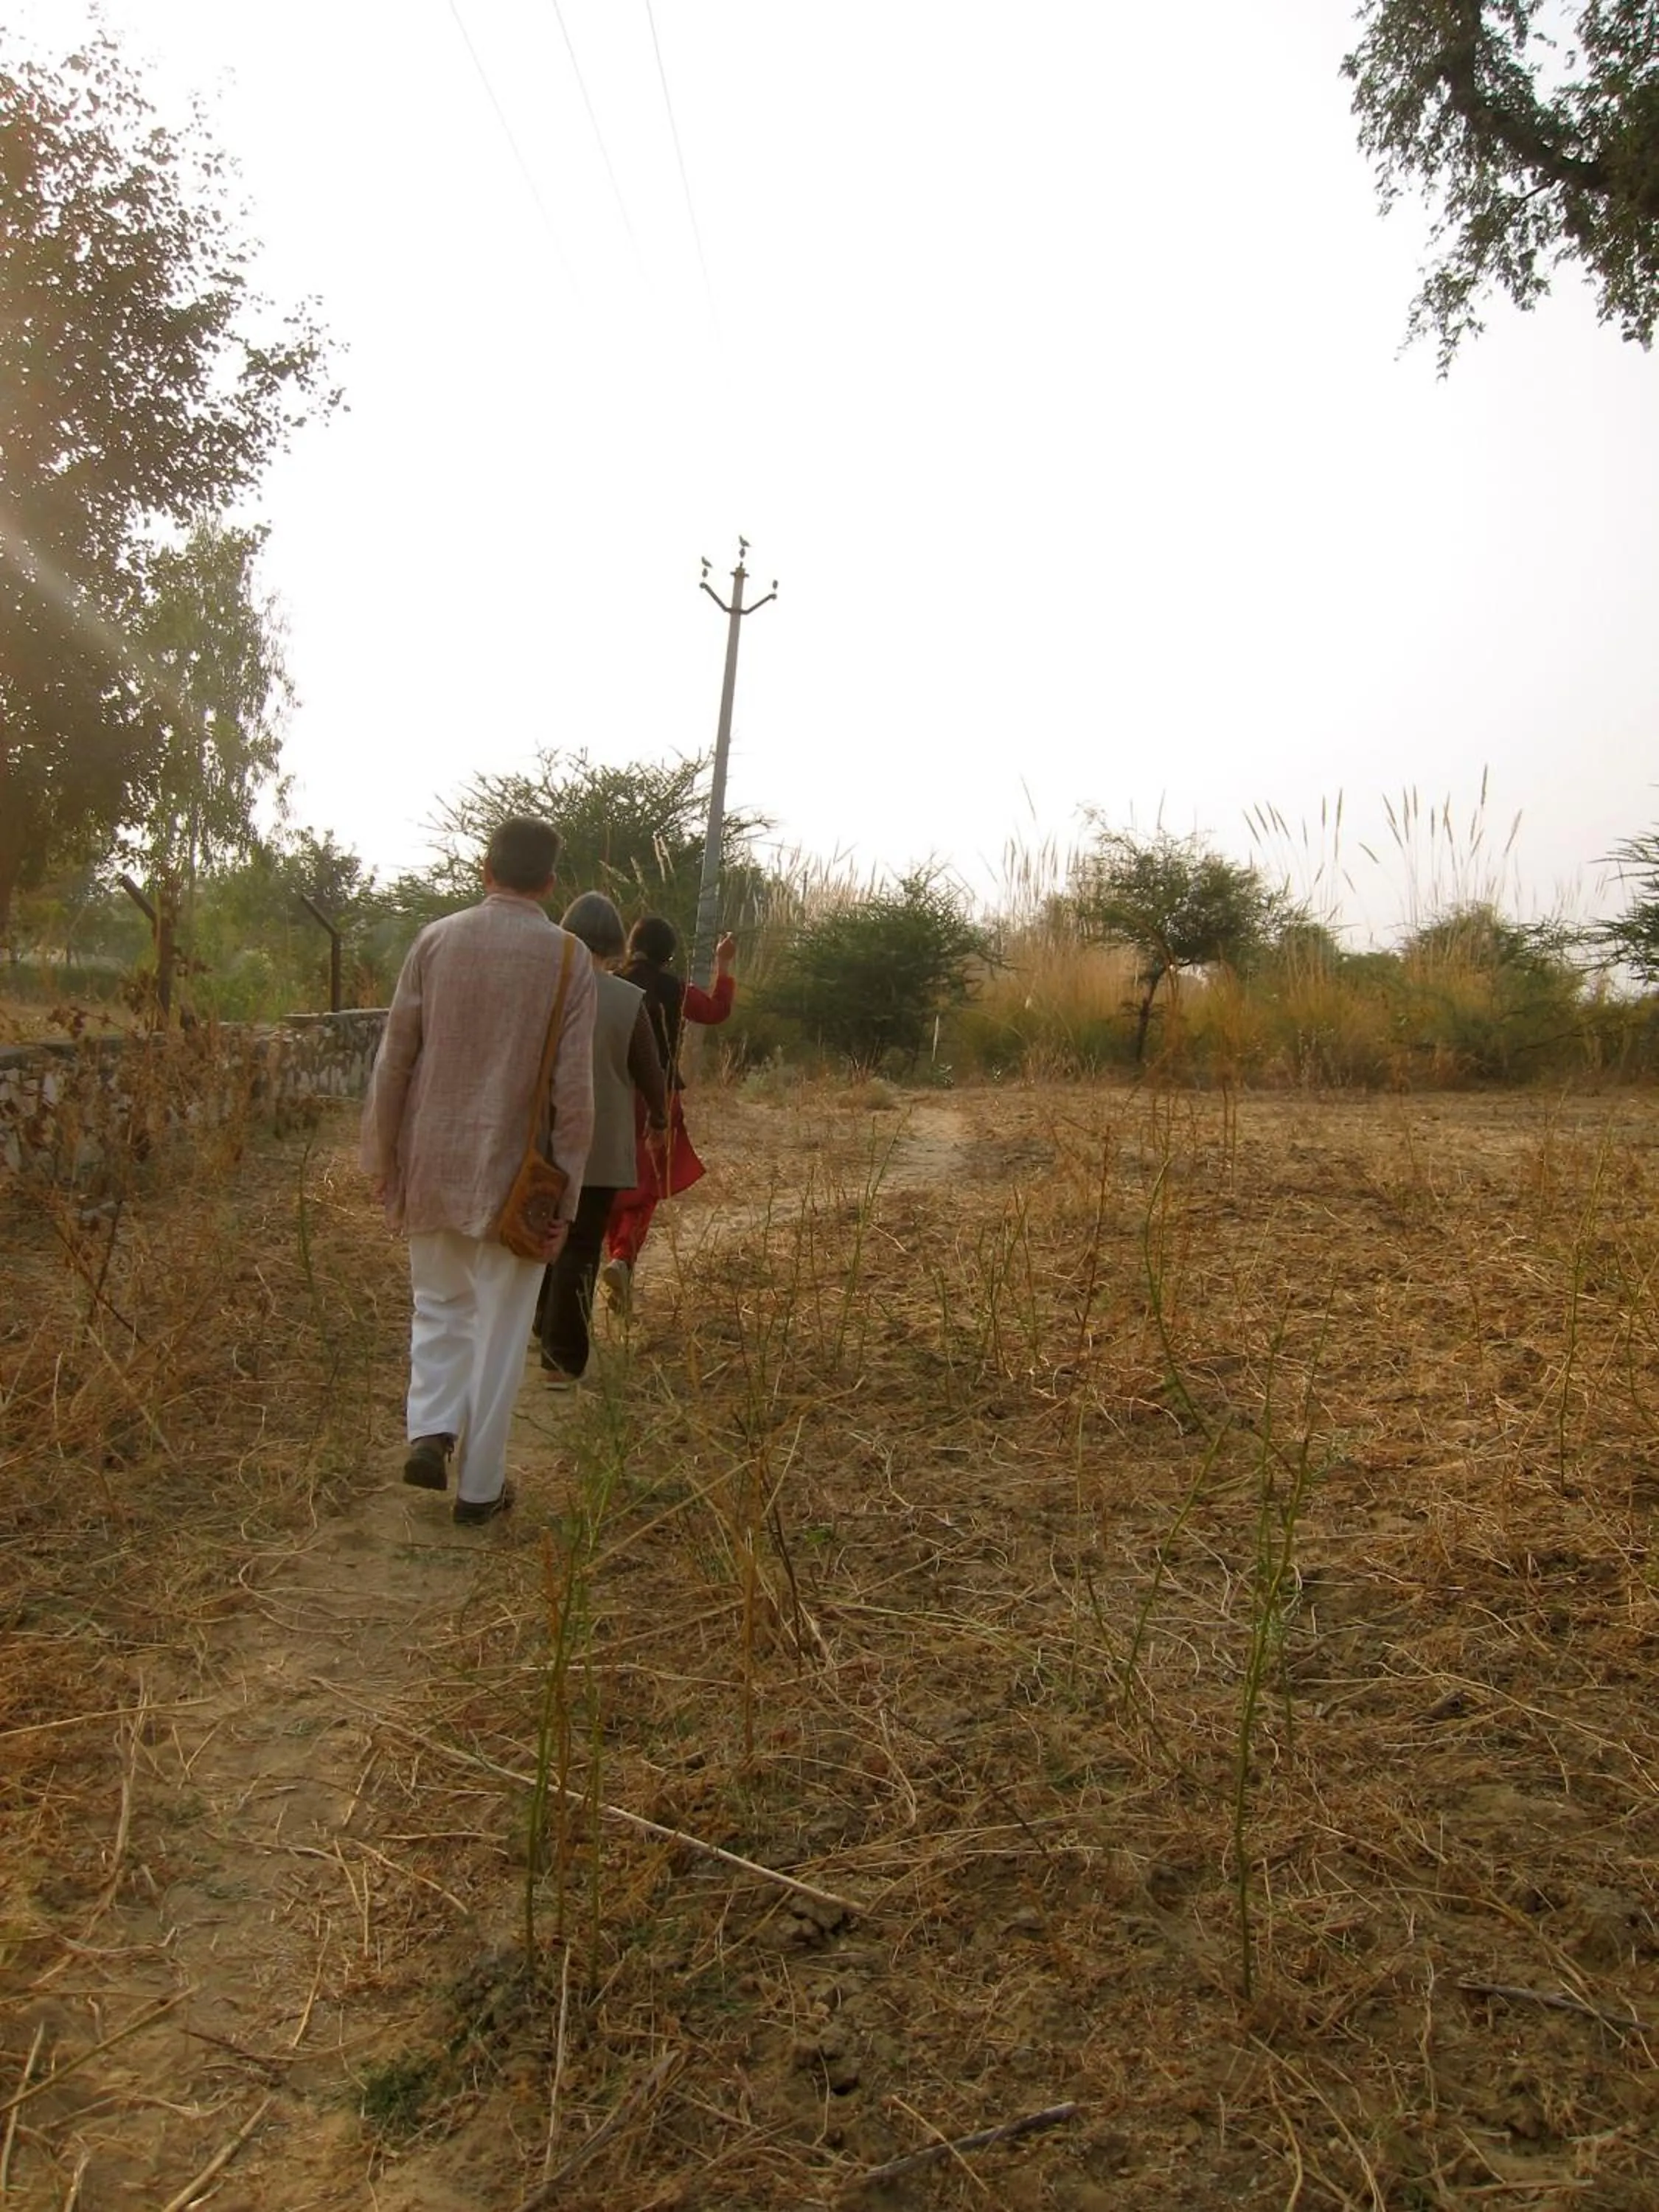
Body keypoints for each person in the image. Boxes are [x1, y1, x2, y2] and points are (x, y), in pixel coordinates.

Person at [360, 816, 596, 1526]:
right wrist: (569, 1196)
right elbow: (574, 1094)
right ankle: (479, 1490)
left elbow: (395, 1058)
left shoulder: (435, 940)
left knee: (439, 1307)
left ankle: (431, 1429)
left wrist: (382, 1158)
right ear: (551, 883)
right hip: (520, 1183)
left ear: (485, 868)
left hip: (433, 1161)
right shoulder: (568, 958)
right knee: (500, 1336)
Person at [535, 892, 668, 1385]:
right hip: (601, 1140)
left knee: (539, 1235)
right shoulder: (625, 999)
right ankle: (562, 1359)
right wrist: (658, 1120)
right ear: (614, 942)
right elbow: (651, 1073)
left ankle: (538, 1327)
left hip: (540, 1139)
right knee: (581, 1245)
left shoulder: (539, 990)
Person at [599, 917, 736, 1312]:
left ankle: (614, 1257)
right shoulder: (676, 989)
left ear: (630, 945)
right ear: (668, 954)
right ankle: (623, 1257)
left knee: (612, 1183)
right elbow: (716, 1011)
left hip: (611, 1094)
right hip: (657, 1099)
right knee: (647, 1187)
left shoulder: (610, 980)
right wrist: (723, 964)